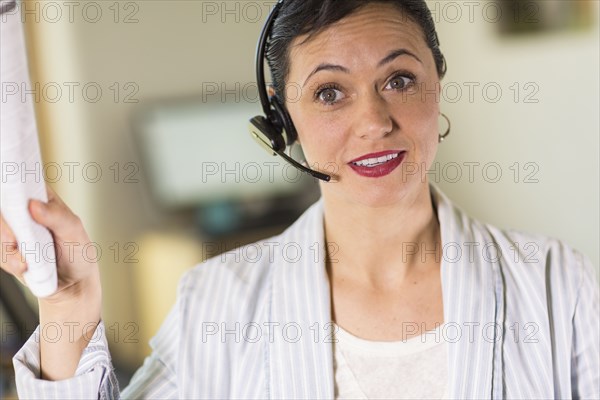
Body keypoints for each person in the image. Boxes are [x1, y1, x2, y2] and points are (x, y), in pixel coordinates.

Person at [2, 0, 598, 398]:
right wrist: (69, 310)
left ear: (437, 84)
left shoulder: (552, 282)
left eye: (399, 79)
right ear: (282, 120)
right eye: (330, 92)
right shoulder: (220, 302)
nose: (373, 121)